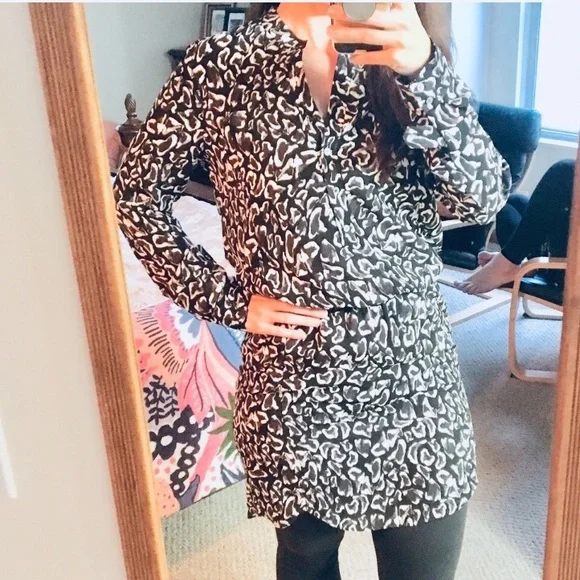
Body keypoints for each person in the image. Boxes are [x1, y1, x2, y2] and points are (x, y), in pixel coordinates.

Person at [114, 3, 510, 579]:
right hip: (294, 380)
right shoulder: (219, 63)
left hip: (414, 374)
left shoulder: (409, 55)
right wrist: (227, 301)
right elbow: (137, 195)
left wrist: (424, 73)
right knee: (306, 561)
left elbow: (483, 198)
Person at [455, 159, 575, 295]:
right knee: (514, 203)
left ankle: (508, 263)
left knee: (566, 170)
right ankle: (526, 263)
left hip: (573, 274)